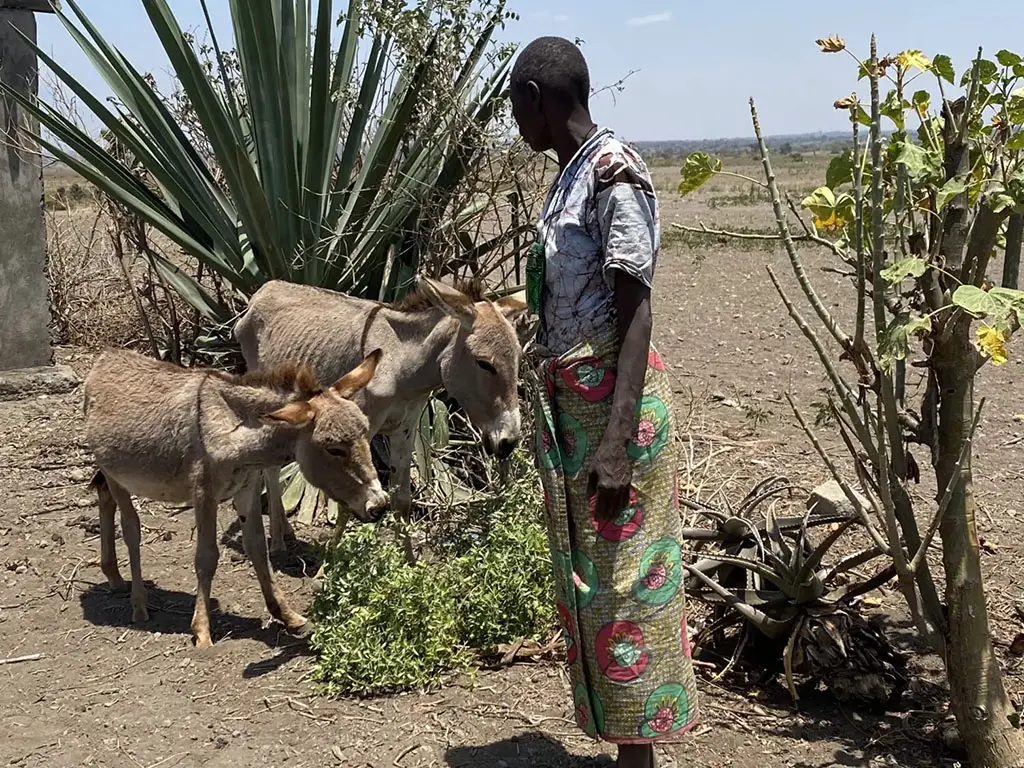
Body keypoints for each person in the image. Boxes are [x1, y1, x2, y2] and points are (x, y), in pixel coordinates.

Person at [510, 37, 699, 768]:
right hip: (579, 407)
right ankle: (624, 749)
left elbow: (637, 309)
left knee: (626, 588)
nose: (515, 123)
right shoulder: (571, 175)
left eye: (515, 107)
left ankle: (639, 758)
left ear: (538, 97)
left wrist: (616, 442)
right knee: (595, 588)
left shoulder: (615, 172)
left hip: (615, 409)